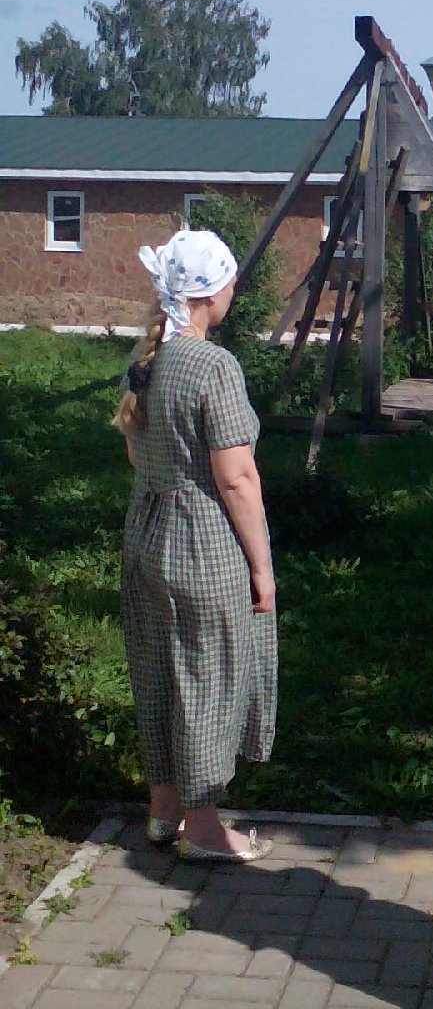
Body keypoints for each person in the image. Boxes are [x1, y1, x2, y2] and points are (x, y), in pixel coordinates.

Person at [112, 229, 277, 863]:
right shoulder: (213, 366)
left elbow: (140, 454)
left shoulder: (147, 362)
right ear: (212, 291)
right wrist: (261, 568)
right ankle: (204, 830)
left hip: (146, 533)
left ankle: (163, 811)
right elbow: (236, 477)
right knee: (208, 676)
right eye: (231, 279)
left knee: (159, 668)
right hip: (201, 542)